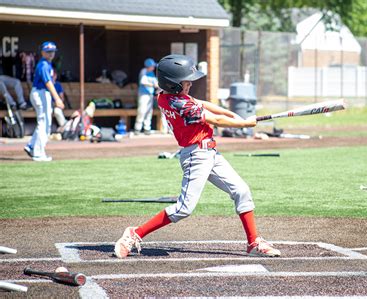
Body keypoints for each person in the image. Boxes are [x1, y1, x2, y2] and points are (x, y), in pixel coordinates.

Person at [114, 54, 280, 258]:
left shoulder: (171, 96)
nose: (190, 84)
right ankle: (134, 234)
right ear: (172, 84)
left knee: (242, 191)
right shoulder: (178, 104)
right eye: (186, 82)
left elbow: (204, 104)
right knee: (184, 208)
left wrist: (233, 115)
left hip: (210, 153)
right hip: (195, 156)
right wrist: (244, 124)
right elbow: (215, 119)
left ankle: (253, 242)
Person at [24, 41, 64, 162]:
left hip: (41, 93)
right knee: (45, 123)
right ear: (42, 52)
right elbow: (48, 82)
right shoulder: (44, 65)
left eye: (52, 51)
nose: (51, 54)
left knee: (43, 122)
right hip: (41, 93)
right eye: (48, 51)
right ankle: (38, 153)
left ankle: (31, 146)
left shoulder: (46, 64)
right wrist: (57, 99)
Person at [134, 58, 159, 135]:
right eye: (152, 66)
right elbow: (143, 81)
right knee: (142, 110)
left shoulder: (151, 73)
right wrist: (154, 85)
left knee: (149, 111)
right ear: (148, 66)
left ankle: (147, 128)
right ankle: (137, 128)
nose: (154, 67)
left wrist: (158, 86)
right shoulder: (144, 71)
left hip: (150, 94)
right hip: (143, 94)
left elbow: (156, 83)